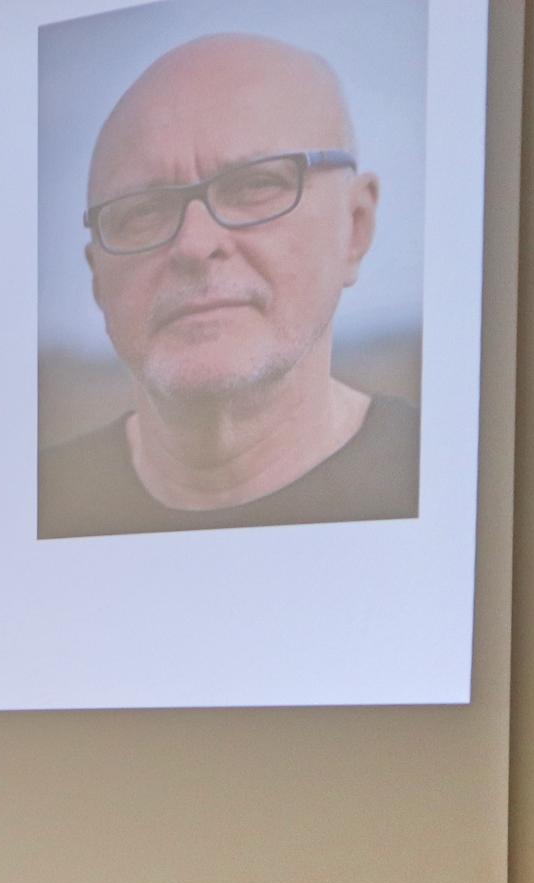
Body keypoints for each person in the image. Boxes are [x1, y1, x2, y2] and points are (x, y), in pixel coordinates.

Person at [39, 32, 417, 539]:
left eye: (255, 185)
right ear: (98, 279)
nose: (195, 244)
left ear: (355, 227)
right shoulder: (27, 504)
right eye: (143, 212)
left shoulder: (450, 477)